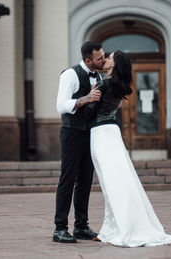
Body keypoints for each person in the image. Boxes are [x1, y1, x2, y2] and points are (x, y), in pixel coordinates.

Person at [84, 51, 171, 247]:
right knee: (119, 179)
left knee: (110, 183)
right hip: (112, 131)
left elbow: (89, 113)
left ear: (114, 64)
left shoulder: (103, 85)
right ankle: (113, 227)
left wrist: (88, 97)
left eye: (109, 58)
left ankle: (122, 228)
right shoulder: (119, 85)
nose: (105, 60)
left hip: (100, 133)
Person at [53, 41, 106, 243]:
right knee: (67, 179)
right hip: (71, 132)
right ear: (87, 60)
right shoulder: (70, 74)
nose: (102, 59)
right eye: (99, 57)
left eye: (103, 56)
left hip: (89, 133)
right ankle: (59, 228)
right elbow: (61, 105)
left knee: (85, 180)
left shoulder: (98, 76)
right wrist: (87, 98)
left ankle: (81, 227)